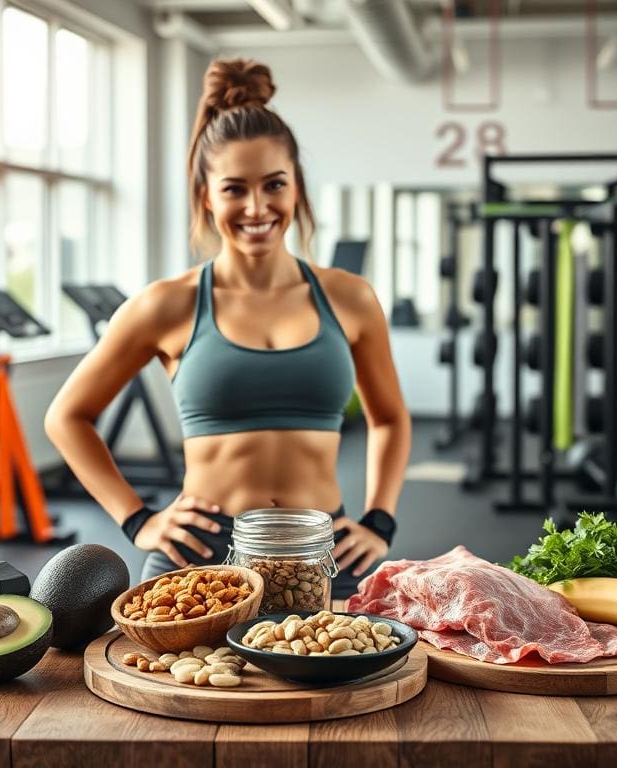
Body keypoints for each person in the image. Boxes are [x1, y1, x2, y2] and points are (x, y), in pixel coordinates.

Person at [44, 58, 411, 598]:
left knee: (340, 683)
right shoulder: (168, 305)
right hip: (199, 560)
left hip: (322, 553)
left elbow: (389, 418)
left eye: (274, 185)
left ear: (296, 188)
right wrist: (137, 519)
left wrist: (380, 521)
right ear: (206, 196)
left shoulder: (350, 298)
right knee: (185, 685)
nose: (257, 207)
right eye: (235, 189)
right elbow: (66, 418)